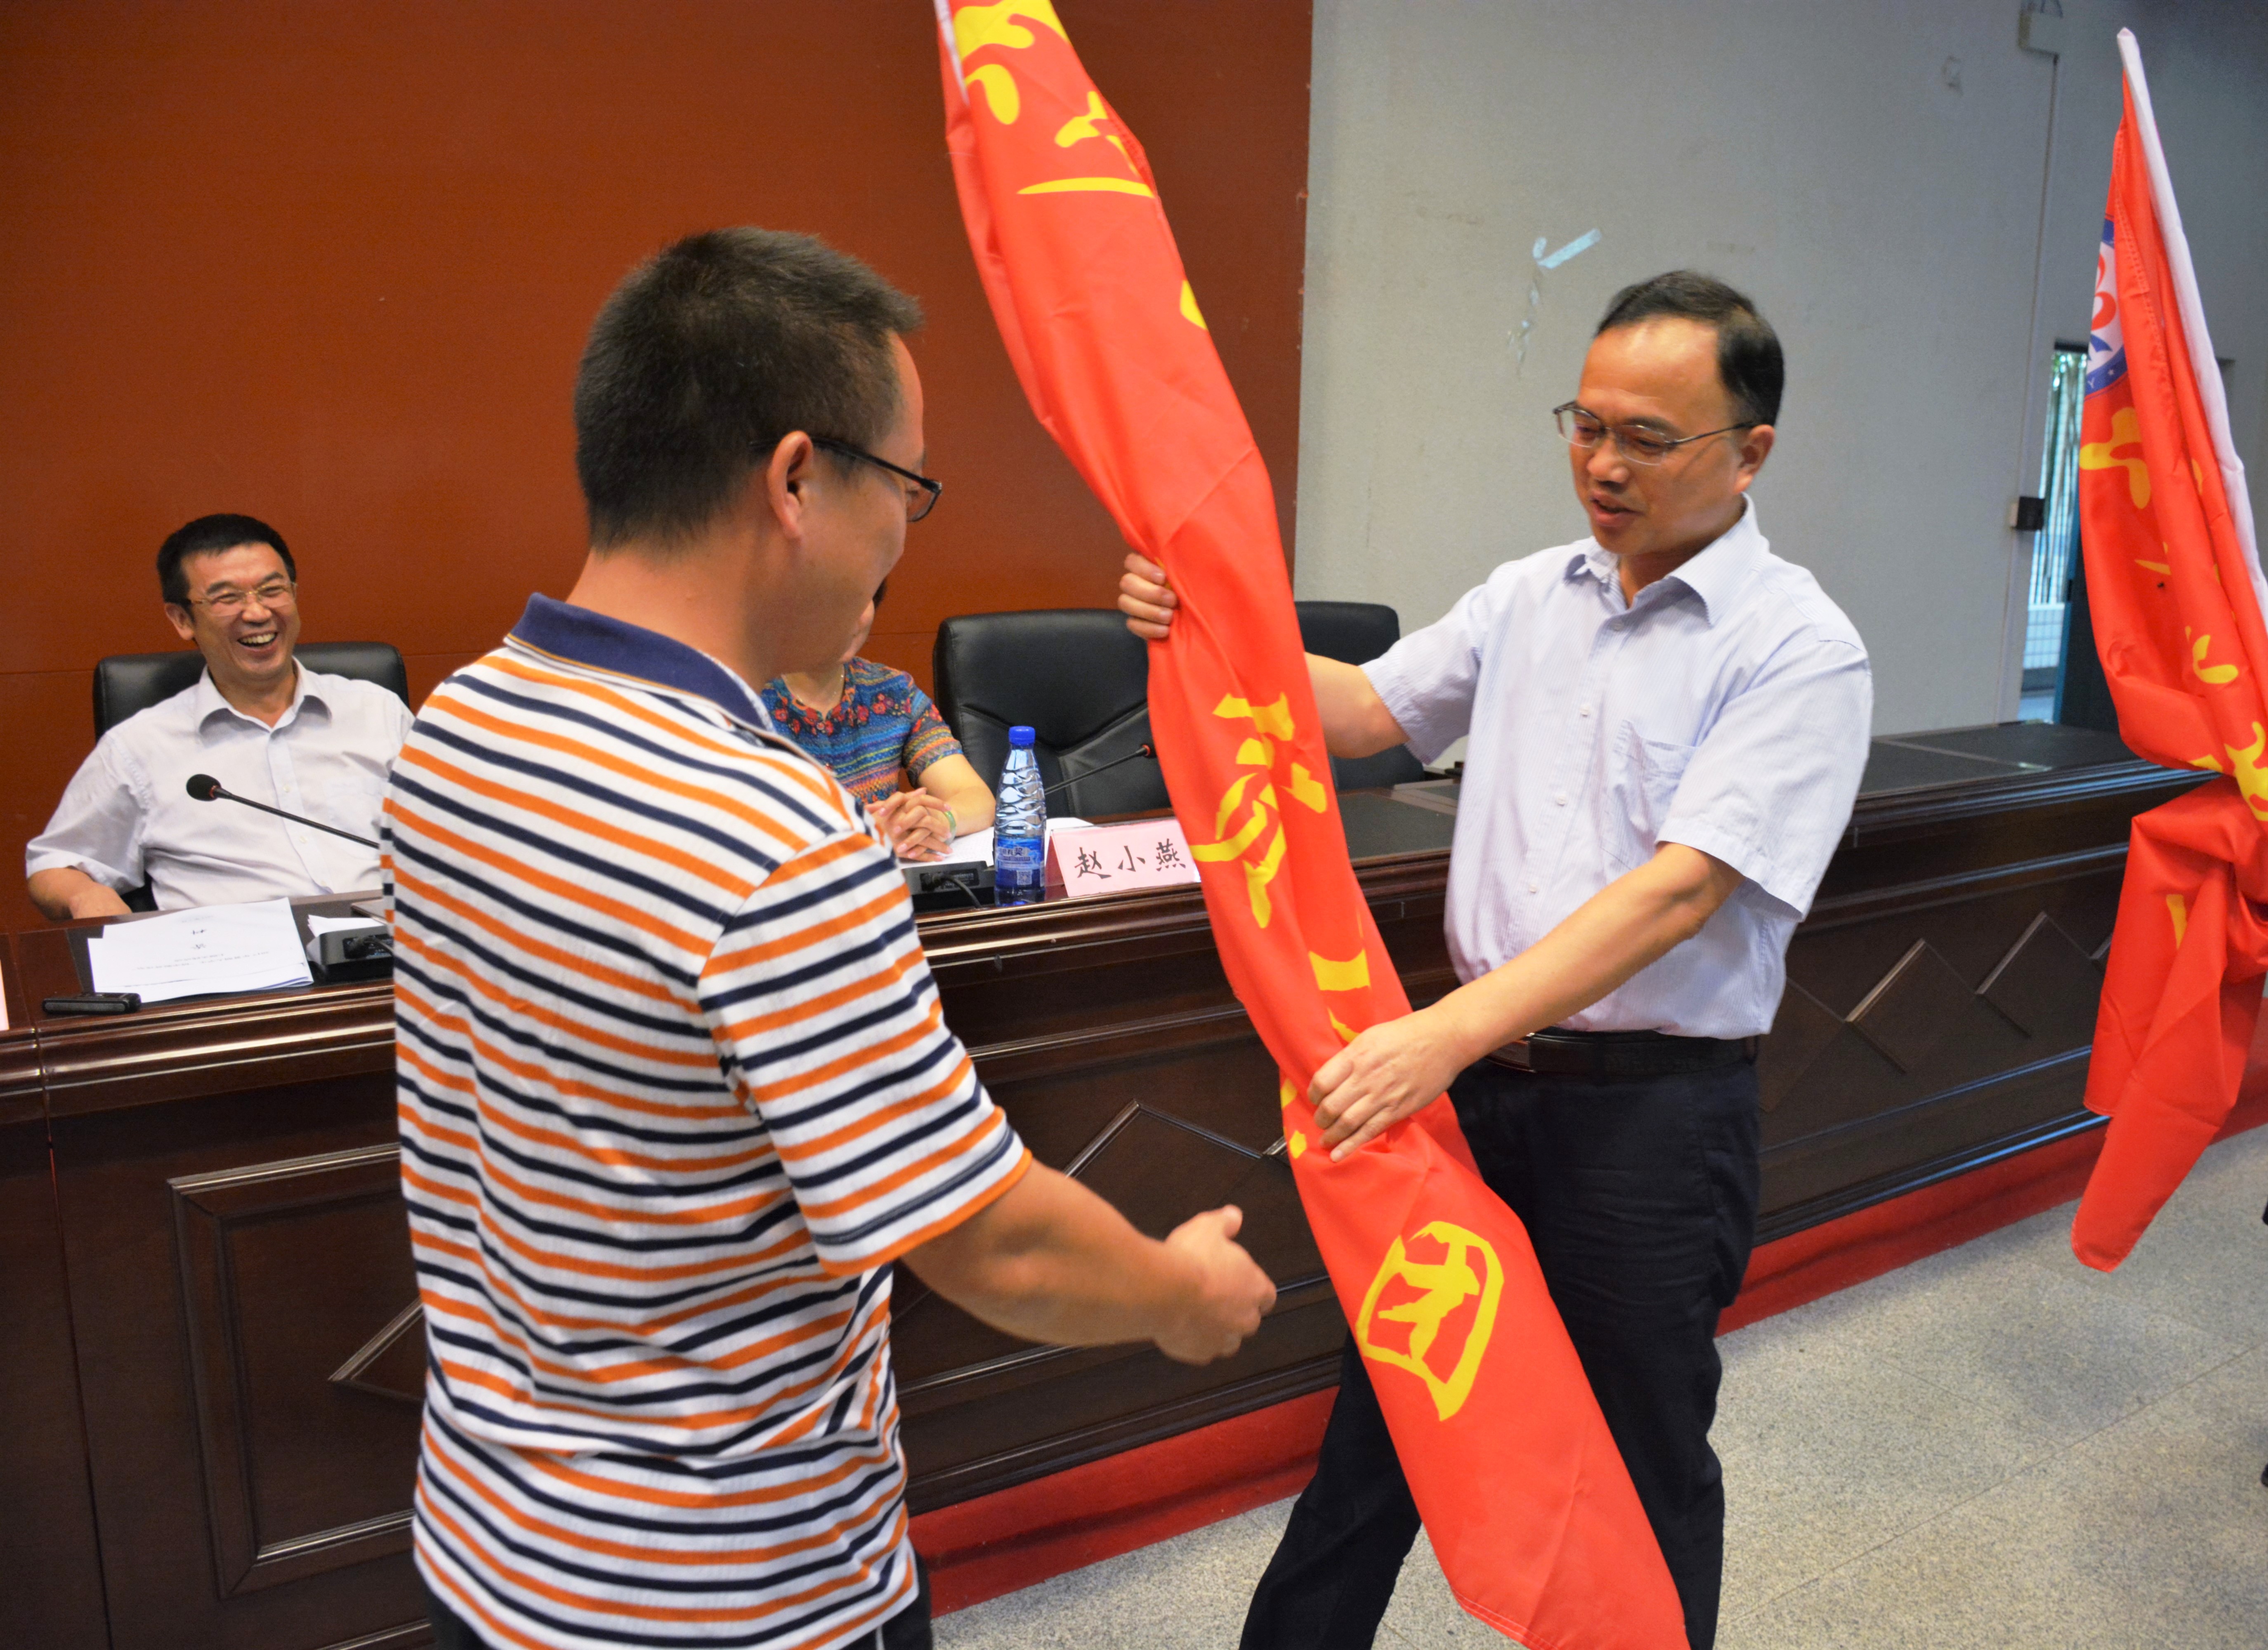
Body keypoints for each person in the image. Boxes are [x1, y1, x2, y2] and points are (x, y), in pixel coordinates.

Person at [391, 228, 1277, 1650]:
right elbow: (988, 1241)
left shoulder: (459, 725)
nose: (902, 532)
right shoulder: (767, 832)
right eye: (908, 487)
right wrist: (1178, 1296)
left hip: (493, 1548)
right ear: (797, 479)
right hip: (730, 1588)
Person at [1121, 271, 1871, 1650]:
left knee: (1641, 1466)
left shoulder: (1798, 648)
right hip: (1470, 1104)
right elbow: (1361, 711)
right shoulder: (1532, 594)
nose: (1601, 464)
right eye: (1584, 425)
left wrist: (1443, 1032)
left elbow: (1679, 892)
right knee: (1382, 1433)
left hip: (1647, 1124)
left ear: (1749, 450)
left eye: (1646, 437)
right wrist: (1206, 616)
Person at [25, 513, 411, 918]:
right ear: (182, 620)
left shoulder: (378, 712)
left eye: (273, 590)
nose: (257, 613)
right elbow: (54, 864)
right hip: (240, 952)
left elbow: (446, 835)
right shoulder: (139, 747)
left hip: (386, 942)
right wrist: (85, 896)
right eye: (227, 598)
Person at [763, 577, 995, 860]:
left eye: (860, 599)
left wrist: (937, 821)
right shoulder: (742, 698)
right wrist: (864, 835)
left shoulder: (893, 692)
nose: (848, 618)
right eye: (829, 601)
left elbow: (975, 797)